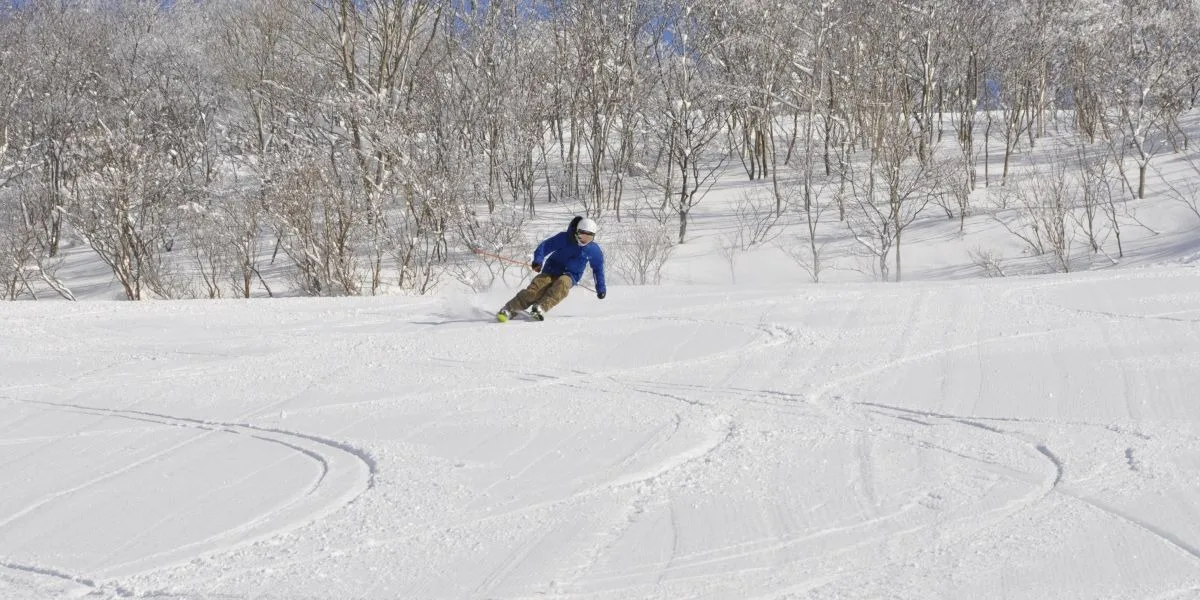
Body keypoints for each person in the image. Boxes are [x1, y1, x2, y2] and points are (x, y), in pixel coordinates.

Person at [498, 216, 606, 321]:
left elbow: (598, 269)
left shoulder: (593, 250)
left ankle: (540, 308)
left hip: (571, 275)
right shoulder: (564, 238)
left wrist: (601, 288)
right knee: (535, 290)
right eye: (582, 236)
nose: (584, 241)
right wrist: (538, 261)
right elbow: (545, 246)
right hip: (551, 269)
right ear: (577, 232)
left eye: (589, 237)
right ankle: (508, 310)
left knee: (562, 284)